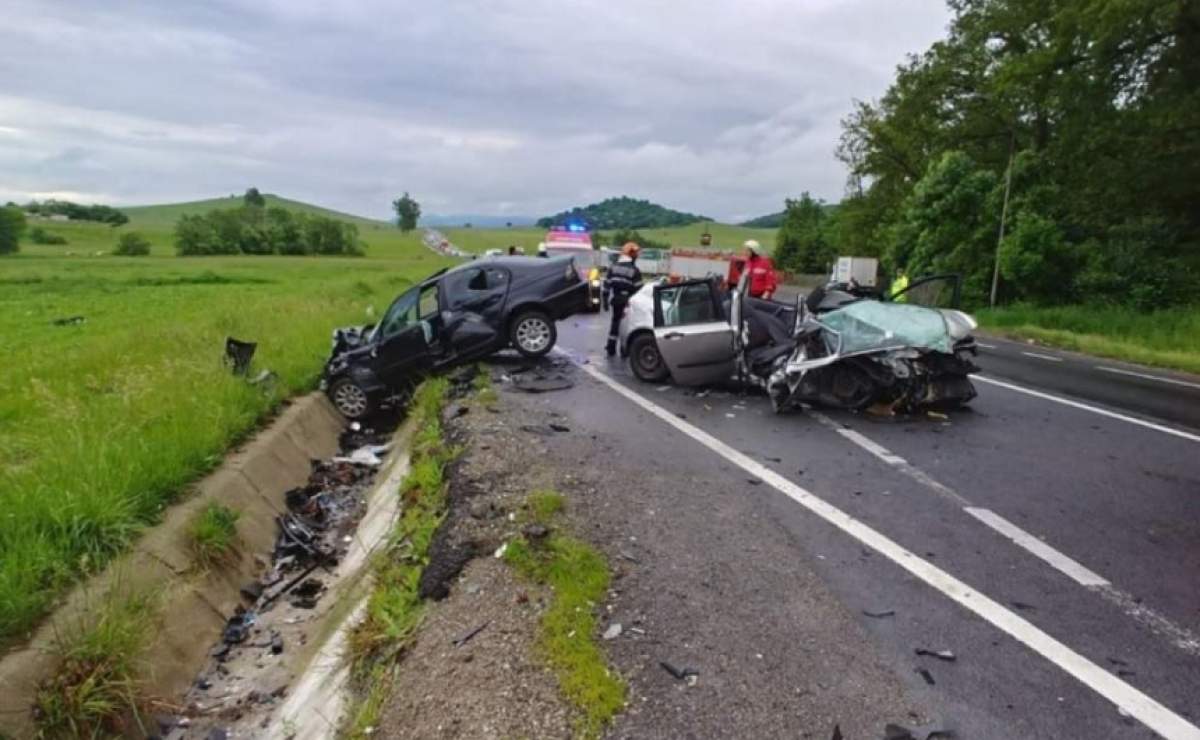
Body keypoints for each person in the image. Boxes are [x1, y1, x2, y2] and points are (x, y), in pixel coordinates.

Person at [603, 242, 643, 356]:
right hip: (628, 302)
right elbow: (639, 290)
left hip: (616, 300)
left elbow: (607, 284)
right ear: (630, 254)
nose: (637, 256)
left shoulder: (613, 267)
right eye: (635, 253)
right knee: (626, 325)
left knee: (615, 322)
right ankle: (624, 349)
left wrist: (605, 299)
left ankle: (611, 347)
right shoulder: (634, 270)